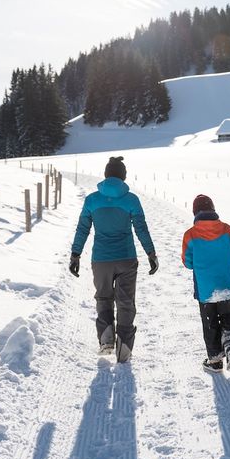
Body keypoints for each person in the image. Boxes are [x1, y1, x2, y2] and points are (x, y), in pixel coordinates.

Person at [69, 156, 158, 363]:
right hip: (126, 257)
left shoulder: (92, 200)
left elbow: (83, 228)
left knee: (103, 297)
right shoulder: (131, 200)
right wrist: (151, 253)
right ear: (123, 176)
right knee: (126, 302)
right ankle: (124, 347)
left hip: (101, 259)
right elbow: (141, 228)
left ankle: (106, 338)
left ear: (106, 175)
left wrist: (75, 254)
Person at [181, 194, 230, 373]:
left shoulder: (190, 235)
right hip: (226, 285)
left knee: (210, 322)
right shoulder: (227, 229)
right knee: (228, 316)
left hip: (206, 290)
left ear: (195, 212)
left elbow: (187, 262)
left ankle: (215, 360)